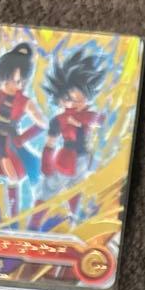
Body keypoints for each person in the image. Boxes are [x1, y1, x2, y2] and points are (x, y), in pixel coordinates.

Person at [0, 42, 46, 220]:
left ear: (23, 82)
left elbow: (42, 124)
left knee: (12, 179)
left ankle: (13, 218)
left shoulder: (25, 102)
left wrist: (23, 138)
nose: (12, 86)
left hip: (9, 144)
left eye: (17, 81)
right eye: (7, 80)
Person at [39, 48, 106, 220]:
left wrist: (80, 121)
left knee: (77, 189)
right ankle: (38, 217)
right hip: (66, 158)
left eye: (80, 99)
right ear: (61, 99)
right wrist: (46, 163)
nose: (75, 103)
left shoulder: (89, 115)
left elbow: (100, 120)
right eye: (69, 99)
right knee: (51, 187)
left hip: (84, 159)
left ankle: (73, 217)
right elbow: (50, 142)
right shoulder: (59, 120)